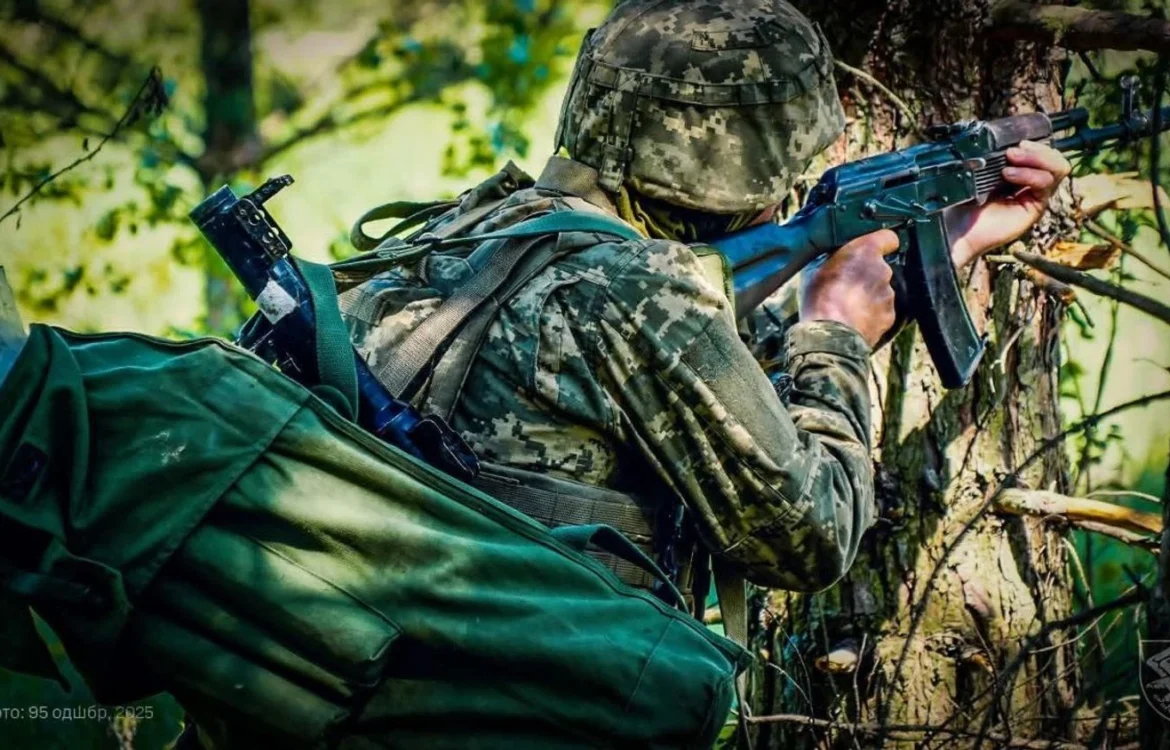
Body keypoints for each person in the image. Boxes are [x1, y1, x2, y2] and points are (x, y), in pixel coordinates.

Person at [342, 0, 1071, 604]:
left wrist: (953, 244)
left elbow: (681, 374)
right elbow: (813, 539)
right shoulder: (639, 294)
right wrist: (835, 335)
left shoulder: (490, 224)